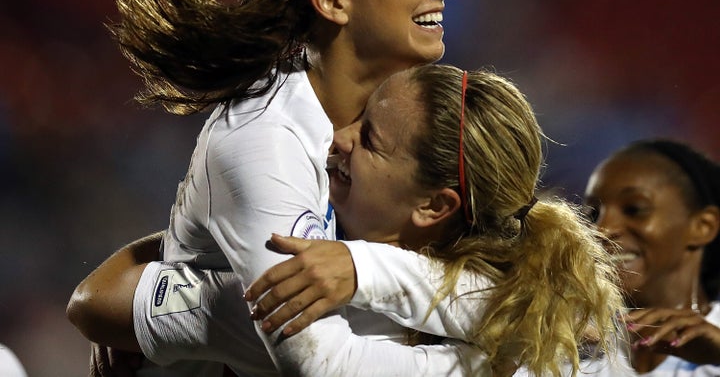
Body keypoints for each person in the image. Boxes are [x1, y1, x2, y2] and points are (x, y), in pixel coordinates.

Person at [70, 0, 502, 377]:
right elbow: (323, 364)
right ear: (333, 2)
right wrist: (500, 362)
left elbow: (499, 277)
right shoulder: (265, 140)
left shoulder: (403, 115)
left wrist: (150, 283)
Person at [71, 65, 625, 377]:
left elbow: (101, 300)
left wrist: (349, 272)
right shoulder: (525, 299)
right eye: (358, 117)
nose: (338, 138)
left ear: (434, 206)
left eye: (371, 140)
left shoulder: (346, 308)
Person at [578, 138, 720, 375]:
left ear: (702, 226)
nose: (600, 230)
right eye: (593, 214)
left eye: (634, 209)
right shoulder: (573, 360)